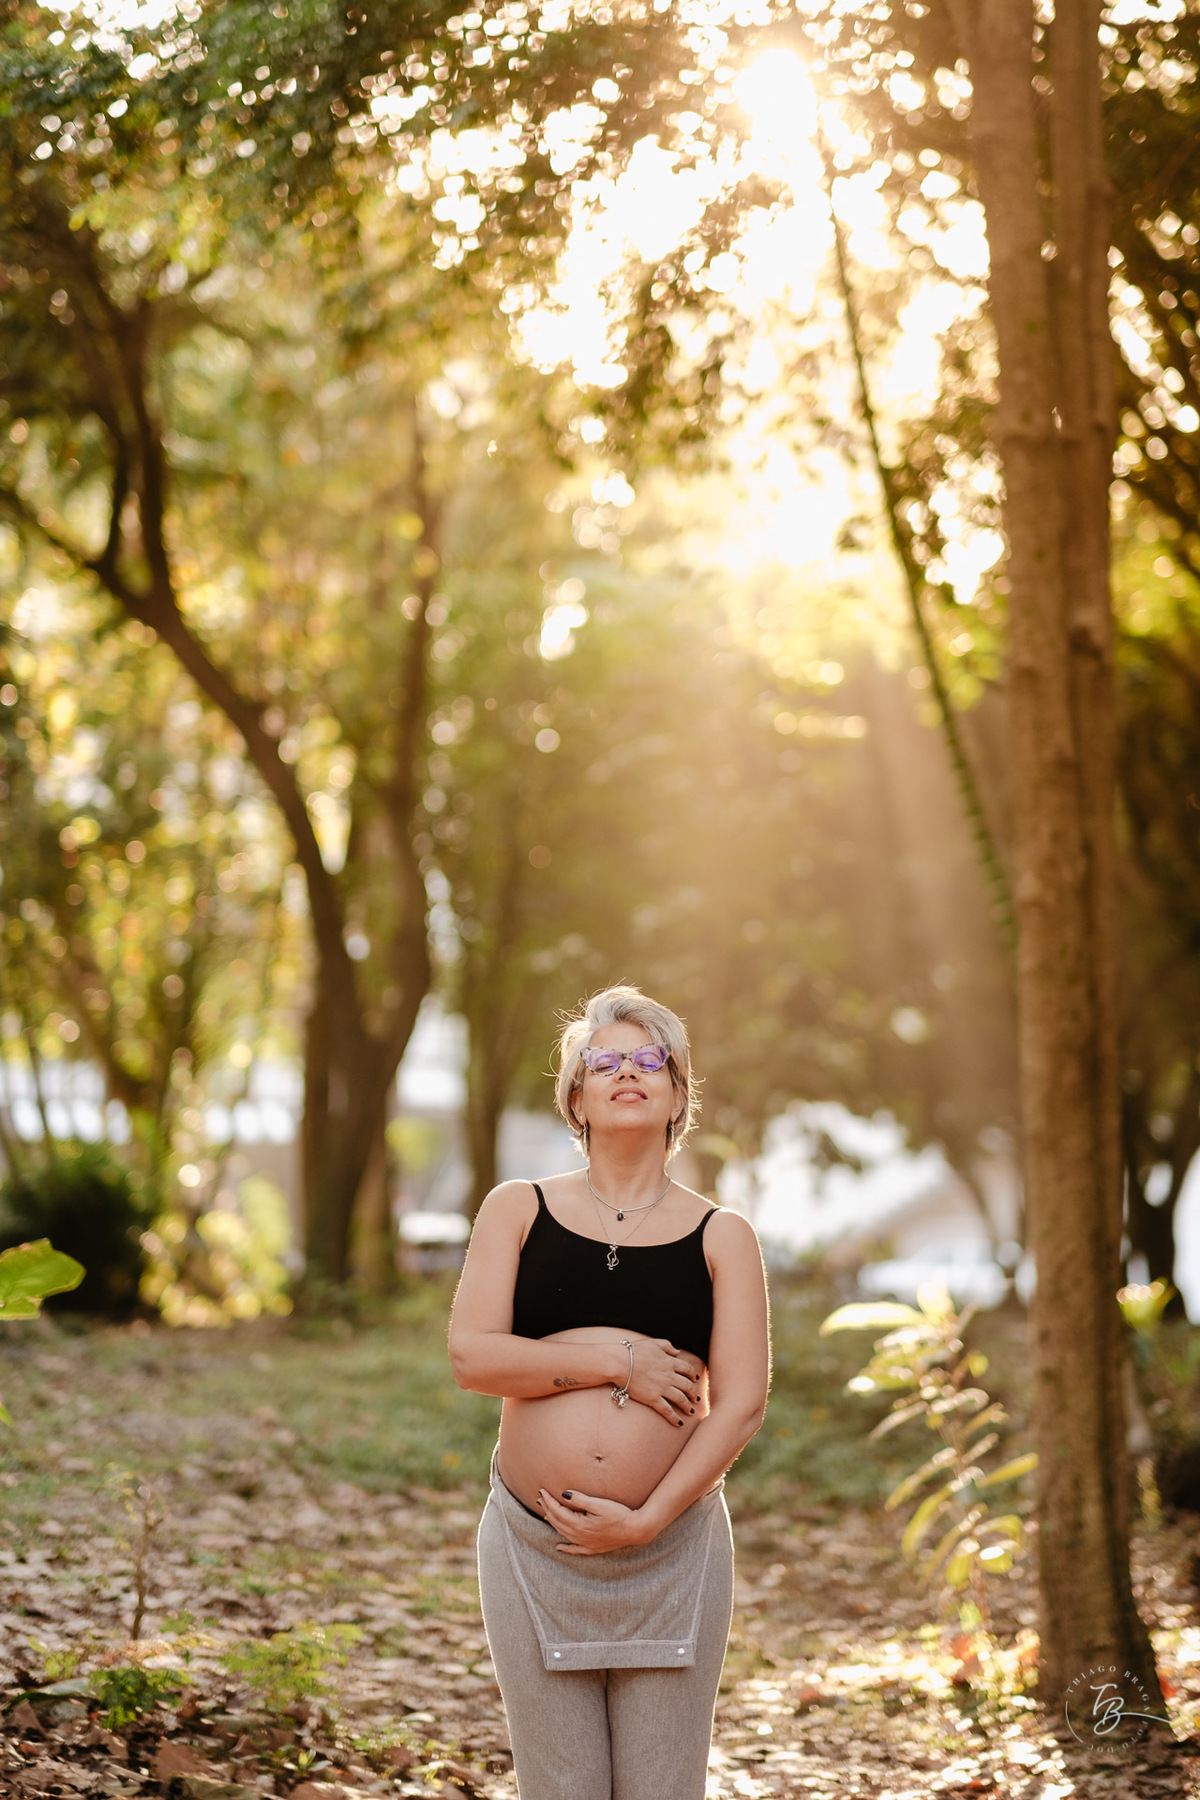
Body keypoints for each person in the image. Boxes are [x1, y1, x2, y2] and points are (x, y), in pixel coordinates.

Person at [448, 984, 771, 1800]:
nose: (628, 1072)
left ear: (677, 1096)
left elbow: (741, 1403)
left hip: (672, 1546)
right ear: (577, 1098)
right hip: (534, 1544)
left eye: (649, 1059)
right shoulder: (517, 1209)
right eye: (605, 1061)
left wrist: (648, 1518)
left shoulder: (722, 1235)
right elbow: (472, 1358)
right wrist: (616, 1358)